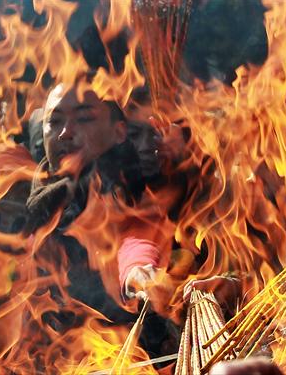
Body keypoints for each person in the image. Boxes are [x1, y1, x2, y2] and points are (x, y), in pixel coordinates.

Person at [22, 76, 180, 364]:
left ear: (119, 132)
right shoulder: (42, 201)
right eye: (54, 122)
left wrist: (138, 273)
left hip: (127, 356)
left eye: (83, 119)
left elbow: (136, 237)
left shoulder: (130, 186)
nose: (65, 133)